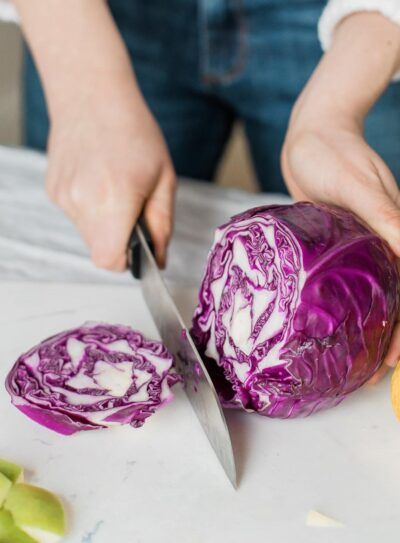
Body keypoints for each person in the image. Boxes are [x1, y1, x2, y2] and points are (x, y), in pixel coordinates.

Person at [2, 0, 400, 379]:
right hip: (94, 18)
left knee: (378, 256)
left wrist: (329, 117)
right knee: (94, 222)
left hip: (347, 22)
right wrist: (82, 88)